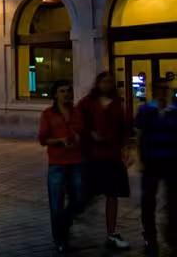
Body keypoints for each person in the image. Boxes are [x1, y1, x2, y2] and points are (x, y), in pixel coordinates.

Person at [76, 71, 131, 249]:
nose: (107, 84)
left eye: (110, 82)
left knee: (112, 195)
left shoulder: (117, 104)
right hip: (93, 156)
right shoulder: (87, 102)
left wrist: (126, 149)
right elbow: (77, 123)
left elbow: (124, 128)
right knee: (87, 195)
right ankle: (70, 218)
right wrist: (90, 134)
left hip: (112, 156)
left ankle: (111, 233)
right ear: (98, 83)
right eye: (104, 81)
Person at [39, 80, 84, 256]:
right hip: (57, 163)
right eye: (62, 91)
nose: (66, 94)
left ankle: (64, 222)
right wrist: (59, 141)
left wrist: (80, 137)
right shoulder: (48, 114)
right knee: (56, 203)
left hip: (76, 161)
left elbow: (83, 132)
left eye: (69, 91)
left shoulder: (77, 112)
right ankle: (60, 239)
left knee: (79, 199)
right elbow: (43, 139)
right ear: (55, 94)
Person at [135, 80, 177, 255]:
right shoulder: (145, 111)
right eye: (160, 89)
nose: (163, 93)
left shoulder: (174, 111)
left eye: (166, 89)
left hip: (172, 161)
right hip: (151, 161)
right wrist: (139, 159)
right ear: (153, 91)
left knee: (173, 200)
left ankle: (172, 235)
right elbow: (139, 135)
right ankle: (150, 238)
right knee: (148, 201)